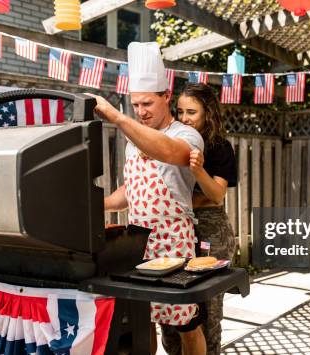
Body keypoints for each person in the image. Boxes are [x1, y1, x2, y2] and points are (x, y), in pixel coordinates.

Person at [86, 42, 206, 355]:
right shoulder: (132, 140)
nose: (140, 112)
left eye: (148, 104)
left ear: (167, 96)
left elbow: (168, 152)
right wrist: (96, 204)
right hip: (139, 244)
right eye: (135, 105)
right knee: (143, 320)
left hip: (175, 242)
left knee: (186, 322)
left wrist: (115, 116)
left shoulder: (187, 135)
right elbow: (132, 190)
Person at [161, 83, 238, 355]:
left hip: (210, 234)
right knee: (172, 311)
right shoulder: (170, 142)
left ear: (209, 113)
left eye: (192, 112)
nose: (184, 118)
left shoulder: (219, 147)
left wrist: (198, 170)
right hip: (175, 231)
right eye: (180, 111)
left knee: (206, 312)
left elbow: (216, 195)